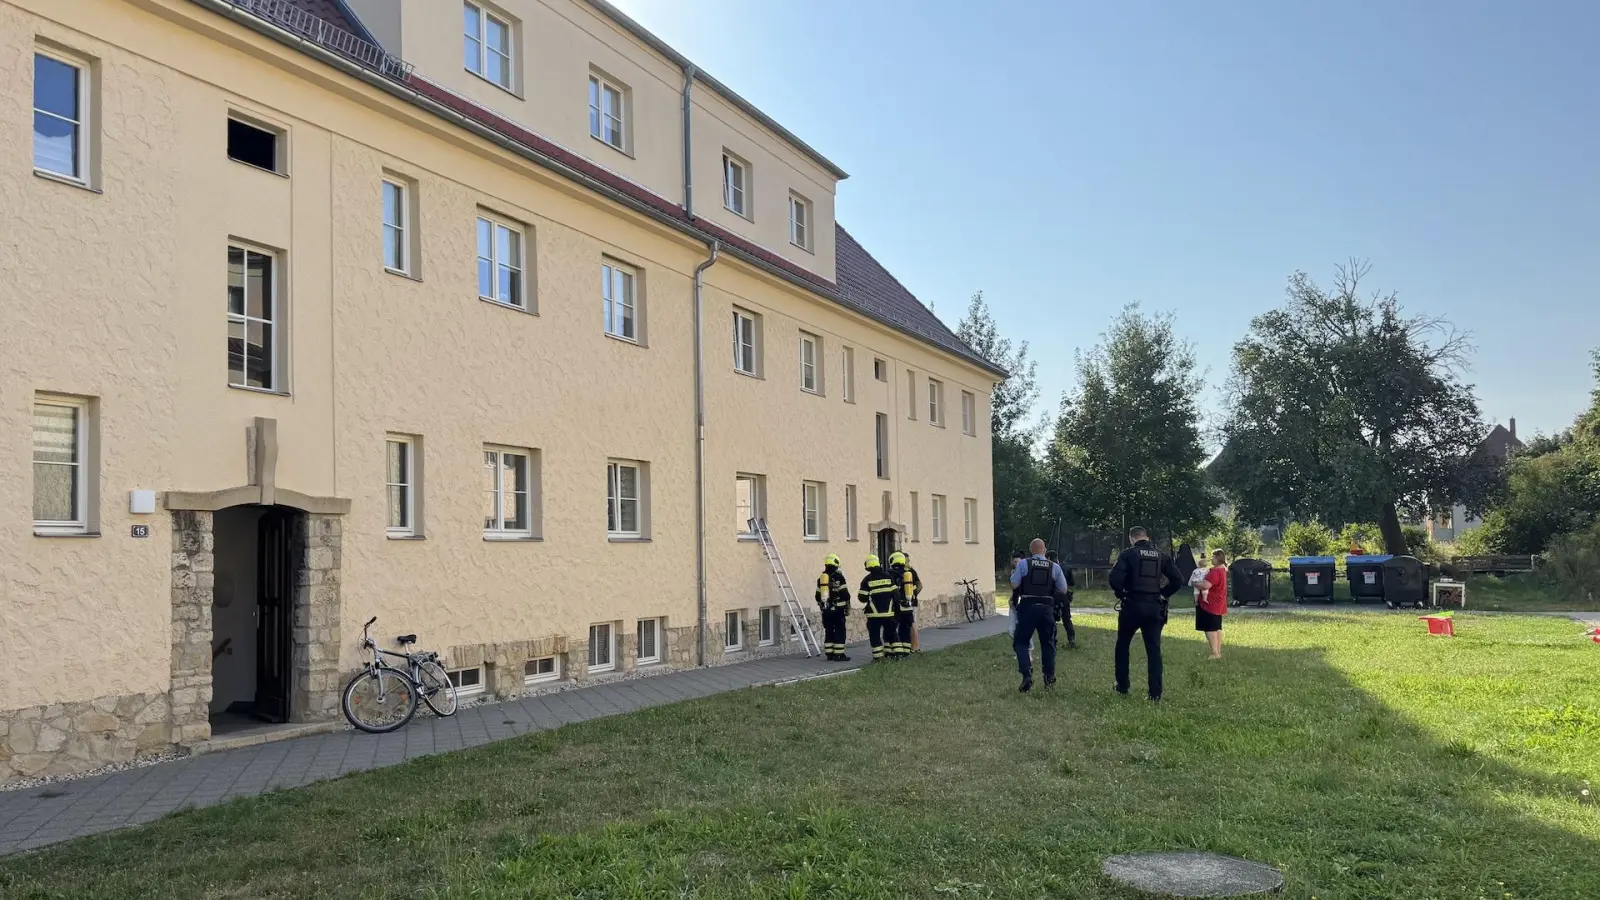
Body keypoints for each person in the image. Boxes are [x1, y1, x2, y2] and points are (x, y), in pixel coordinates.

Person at [1108, 526, 1184, 701]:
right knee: (1154, 650)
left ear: (1132, 539)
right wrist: (1163, 594)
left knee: (1123, 646)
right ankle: (1155, 693)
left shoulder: (1127, 554)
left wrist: (1122, 594)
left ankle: (1122, 686)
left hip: (1132, 605)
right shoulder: (1161, 556)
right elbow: (1178, 579)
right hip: (1154, 606)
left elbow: (1114, 579)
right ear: (1147, 538)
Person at [1009, 538, 1069, 692]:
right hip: (1047, 608)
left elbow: (1014, 584)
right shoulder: (1054, 566)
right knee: (1048, 644)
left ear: (1031, 550)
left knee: (1021, 642)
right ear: (1044, 550)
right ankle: (1049, 677)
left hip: (1028, 606)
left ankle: (1027, 674)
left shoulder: (1024, 564)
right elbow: (1063, 589)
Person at [858, 554, 899, 662]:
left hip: (874, 615)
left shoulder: (866, 580)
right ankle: (898, 654)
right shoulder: (888, 576)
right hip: (888, 613)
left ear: (867, 566)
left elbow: (862, 598)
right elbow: (896, 595)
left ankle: (878, 658)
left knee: (875, 635)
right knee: (891, 633)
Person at [814, 553, 852, 662]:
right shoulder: (839, 577)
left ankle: (829, 654)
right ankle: (839, 655)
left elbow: (817, 596)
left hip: (826, 611)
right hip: (838, 611)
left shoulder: (821, 579)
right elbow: (845, 595)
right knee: (840, 630)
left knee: (829, 631)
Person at [889, 551, 923, 655]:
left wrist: (913, 594)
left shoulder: (908, 572)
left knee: (908, 626)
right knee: (908, 626)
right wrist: (912, 595)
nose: (908, 562)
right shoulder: (909, 572)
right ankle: (910, 649)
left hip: (902, 604)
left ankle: (913, 648)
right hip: (909, 603)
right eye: (907, 560)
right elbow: (918, 585)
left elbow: (919, 585)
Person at [1197, 549, 1228, 659]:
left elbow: (1206, 585)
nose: (1211, 558)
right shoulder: (1223, 570)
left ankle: (1214, 652)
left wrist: (1195, 583)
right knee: (1217, 627)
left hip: (1210, 604)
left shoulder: (1214, 572)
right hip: (1219, 603)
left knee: (1210, 628)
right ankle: (1218, 651)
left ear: (1218, 558)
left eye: (1213, 556)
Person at [1045, 549, 1078, 649]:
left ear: (1049, 558)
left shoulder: (1049, 568)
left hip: (1053, 596)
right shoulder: (1066, 568)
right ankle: (1071, 639)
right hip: (1065, 596)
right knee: (1067, 618)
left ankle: (1053, 641)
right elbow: (1072, 583)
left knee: (1052, 619)